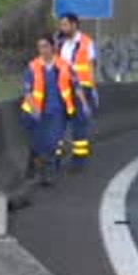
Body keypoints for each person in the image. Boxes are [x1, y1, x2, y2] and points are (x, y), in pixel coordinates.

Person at [21, 34, 86, 186]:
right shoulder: (33, 67)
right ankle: (34, 163)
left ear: (52, 47)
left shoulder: (64, 66)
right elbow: (27, 92)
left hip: (57, 113)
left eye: (45, 46)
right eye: (40, 47)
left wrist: (84, 104)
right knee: (39, 143)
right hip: (37, 112)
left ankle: (47, 174)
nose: (42, 50)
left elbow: (77, 86)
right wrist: (34, 110)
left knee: (52, 142)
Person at [56, 12, 98, 171]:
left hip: (82, 88)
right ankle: (55, 159)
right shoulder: (61, 43)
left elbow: (91, 66)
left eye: (65, 24)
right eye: (61, 24)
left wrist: (93, 88)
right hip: (63, 88)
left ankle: (79, 160)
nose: (62, 27)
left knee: (79, 125)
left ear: (74, 25)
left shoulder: (86, 42)